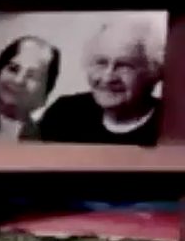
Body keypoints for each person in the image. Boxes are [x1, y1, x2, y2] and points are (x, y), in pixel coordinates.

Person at [38, 18, 166, 145]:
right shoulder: (63, 113)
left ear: (153, 72)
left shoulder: (170, 125)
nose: (107, 77)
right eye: (101, 63)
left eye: (124, 65)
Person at [0, 36, 59, 142]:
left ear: (46, 90)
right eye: (13, 69)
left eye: (32, 76)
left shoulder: (47, 138)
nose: (18, 80)